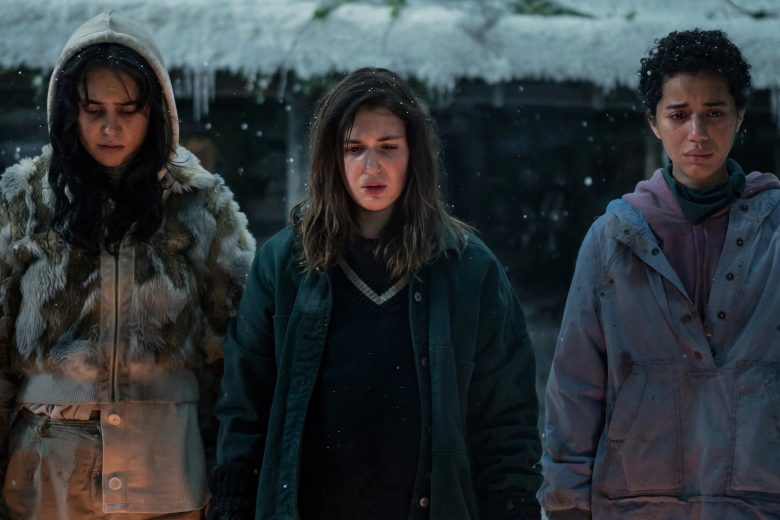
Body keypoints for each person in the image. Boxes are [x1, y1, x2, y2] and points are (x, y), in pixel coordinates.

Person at [209, 67, 541, 519]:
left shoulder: (469, 270)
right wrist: (231, 503)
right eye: (354, 149)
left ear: (413, 155)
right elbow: (244, 405)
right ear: (332, 158)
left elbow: (506, 421)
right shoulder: (283, 265)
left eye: (388, 147)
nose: (372, 167)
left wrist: (512, 507)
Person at [0, 11, 255, 519]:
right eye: (93, 109)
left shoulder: (198, 205)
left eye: (128, 109)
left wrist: (232, 476)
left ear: (156, 111)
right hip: (46, 480)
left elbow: (238, 357)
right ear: (67, 111)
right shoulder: (25, 200)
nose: (110, 127)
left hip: (166, 478)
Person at [538, 28, 780, 519]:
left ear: (739, 117)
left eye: (714, 113)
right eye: (679, 115)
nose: (698, 132)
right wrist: (565, 504)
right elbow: (576, 386)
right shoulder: (612, 240)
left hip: (756, 498)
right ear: (653, 122)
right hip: (634, 499)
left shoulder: (775, 233)